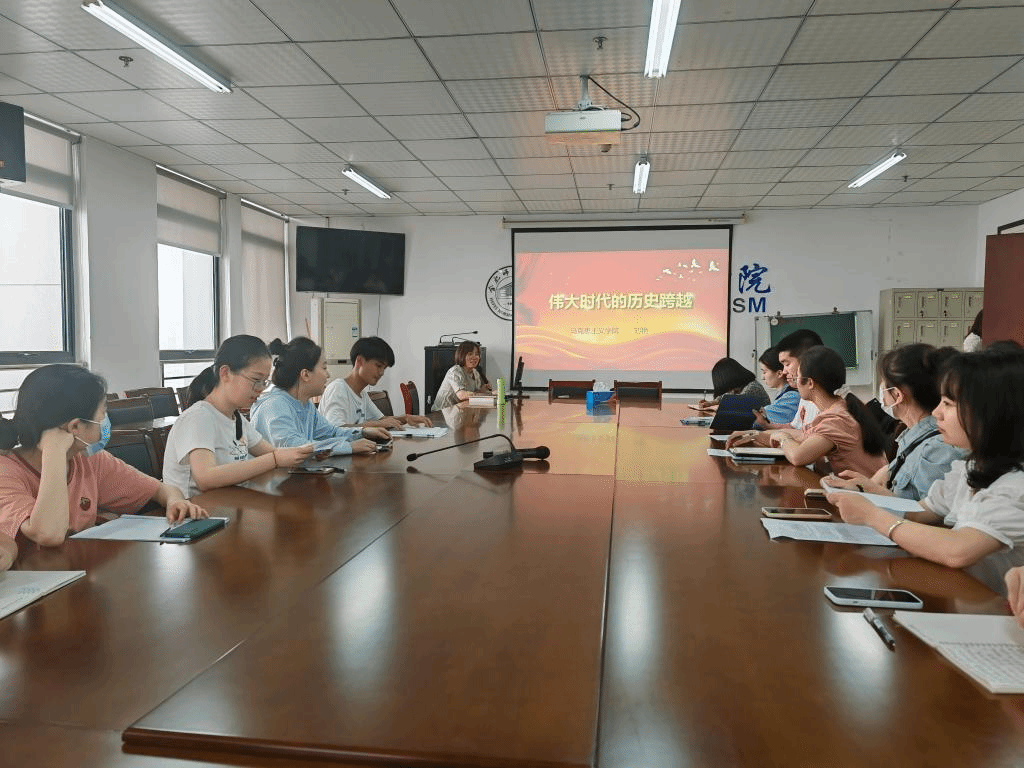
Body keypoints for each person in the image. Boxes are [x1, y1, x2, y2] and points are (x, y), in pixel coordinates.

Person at [830, 348, 1024, 570]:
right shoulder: (971, 467)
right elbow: (919, 512)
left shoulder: (1015, 485)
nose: (936, 412)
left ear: (991, 412)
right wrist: (865, 496)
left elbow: (958, 551)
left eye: (948, 404)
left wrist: (872, 516)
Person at [0, 365, 207, 547]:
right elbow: (49, 534)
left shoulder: (88, 459)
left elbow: (160, 490)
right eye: (102, 413)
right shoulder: (6, 471)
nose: (106, 421)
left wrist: (174, 501)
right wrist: (54, 451)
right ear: (75, 427)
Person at [162, 335, 315, 498]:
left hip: (227, 504)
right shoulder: (198, 417)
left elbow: (272, 452)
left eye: (264, 382)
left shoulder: (237, 419)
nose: (260, 388)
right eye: (256, 380)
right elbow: (205, 478)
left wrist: (309, 451)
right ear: (225, 373)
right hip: (194, 509)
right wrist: (274, 459)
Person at [822, 343, 964, 500]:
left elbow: (925, 512)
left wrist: (869, 490)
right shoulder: (911, 437)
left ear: (897, 395)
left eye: (883, 383)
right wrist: (863, 487)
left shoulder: (935, 450)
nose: (881, 390)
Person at [729, 346, 887, 477]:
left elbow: (798, 457)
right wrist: (754, 435)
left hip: (867, 497)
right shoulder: (835, 409)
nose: (793, 380)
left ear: (810, 383)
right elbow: (802, 435)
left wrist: (782, 438)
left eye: (797, 376)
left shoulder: (836, 420)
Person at [250, 336, 388, 454]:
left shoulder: (305, 405)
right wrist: (348, 447)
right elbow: (294, 446)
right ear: (305, 374)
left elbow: (330, 432)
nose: (328, 375)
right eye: (324, 367)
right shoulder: (274, 405)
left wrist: (363, 432)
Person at [319, 336, 433, 429]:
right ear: (359, 361)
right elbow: (335, 429)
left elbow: (382, 420)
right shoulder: (338, 389)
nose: (382, 372)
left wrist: (406, 418)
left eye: (384, 368)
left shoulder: (361, 394)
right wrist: (377, 425)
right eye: (378, 366)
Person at [774, 329, 824, 428]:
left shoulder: (830, 401)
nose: (784, 372)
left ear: (808, 362)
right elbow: (795, 428)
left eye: (787, 364)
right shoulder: (806, 394)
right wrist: (761, 430)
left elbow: (805, 435)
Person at [431, 341, 492, 411]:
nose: (474, 357)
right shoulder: (455, 371)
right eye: (470, 354)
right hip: (441, 413)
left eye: (477, 354)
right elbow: (462, 395)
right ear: (462, 355)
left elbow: (473, 394)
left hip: (458, 411)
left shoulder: (475, 373)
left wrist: (483, 390)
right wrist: (489, 395)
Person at [752, 347, 800, 429]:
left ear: (779, 373)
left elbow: (759, 420)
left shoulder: (792, 397)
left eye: (764, 372)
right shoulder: (783, 394)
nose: (762, 377)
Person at [696, 357, 770, 411]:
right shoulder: (738, 387)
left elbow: (733, 403)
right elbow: (724, 397)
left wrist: (714, 404)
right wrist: (711, 403)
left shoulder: (752, 387)